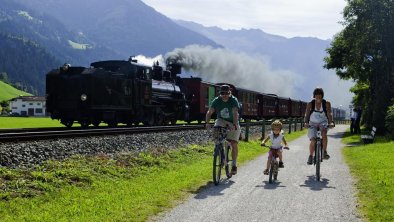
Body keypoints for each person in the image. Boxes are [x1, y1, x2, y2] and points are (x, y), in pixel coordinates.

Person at [206, 84, 241, 175]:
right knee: (216, 129)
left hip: (233, 121)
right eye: (223, 93)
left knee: (233, 143)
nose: (225, 95)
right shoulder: (217, 100)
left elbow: (235, 113)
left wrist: (234, 125)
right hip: (221, 120)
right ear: (220, 94)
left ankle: (234, 165)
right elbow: (210, 112)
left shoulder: (233, 100)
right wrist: (207, 123)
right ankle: (218, 147)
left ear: (230, 93)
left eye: (226, 93)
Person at [304, 87, 335, 165]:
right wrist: (306, 123)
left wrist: (331, 122)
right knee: (313, 140)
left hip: (323, 123)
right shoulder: (310, 104)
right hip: (312, 123)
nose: (318, 96)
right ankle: (310, 156)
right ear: (314, 95)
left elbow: (329, 113)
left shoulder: (326, 103)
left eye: (320, 94)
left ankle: (324, 152)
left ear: (322, 95)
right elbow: (307, 114)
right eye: (316, 94)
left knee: (324, 134)